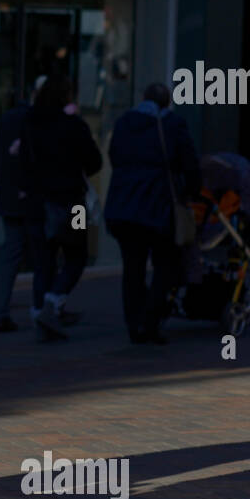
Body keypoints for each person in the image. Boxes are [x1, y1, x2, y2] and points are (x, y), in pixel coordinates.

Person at [103, 82, 201, 344]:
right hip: (158, 206)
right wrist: (191, 192)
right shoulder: (173, 125)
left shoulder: (124, 123)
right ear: (167, 102)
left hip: (122, 206)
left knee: (132, 269)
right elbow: (190, 164)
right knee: (167, 266)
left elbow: (113, 155)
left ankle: (135, 324)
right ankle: (150, 321)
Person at [20, 76, 102, 340]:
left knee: (43, 262)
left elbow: (20, 162)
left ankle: (39, 311)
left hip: (36, 203)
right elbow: (94, 162)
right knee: (76, 256)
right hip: (70, 203)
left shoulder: (30, 125)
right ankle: (53, 302)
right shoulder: (73, 126)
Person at [0, 95, 45, 332]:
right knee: (42, 256)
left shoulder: (7, 120)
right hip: (31, 196)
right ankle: (42, 310)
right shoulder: (35, 121)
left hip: (8, 195)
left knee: (10, 254)